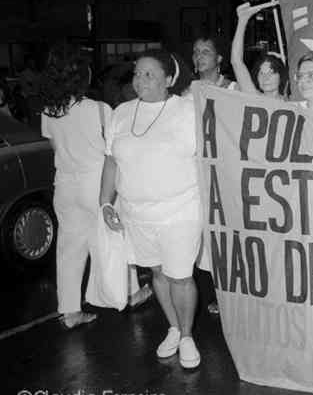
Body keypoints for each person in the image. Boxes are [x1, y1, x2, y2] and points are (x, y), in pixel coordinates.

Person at [99, 49, 204, 369]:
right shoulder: (120, 112)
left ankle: (187, 336)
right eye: (137, 73)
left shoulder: (188, 111)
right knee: (157, 272)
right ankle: (173, 328)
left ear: (169, 80)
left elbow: (210, 158)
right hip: (136, 212)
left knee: (180, 275)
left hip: (180, 209)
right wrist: (105, 201)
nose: (140, 80)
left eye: (149, 74)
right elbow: (111, 161)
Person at [38, 45, 150, 328]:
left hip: (64, 185)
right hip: (97, 184)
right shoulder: (98, 109)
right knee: (114, 239)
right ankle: (130, 292)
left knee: (69, 249)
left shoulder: (48, 111)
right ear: (80, 76)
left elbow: (55, 147)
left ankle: (71, 311)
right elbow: (114, 152)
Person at [232, 2, 290, 99]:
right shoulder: (254, 97)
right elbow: (236, 61)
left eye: (271, 72)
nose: (266, 78)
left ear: (281, 76)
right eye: (261, 73)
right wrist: (242, 21)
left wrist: (289, 63)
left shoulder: (293, 103)